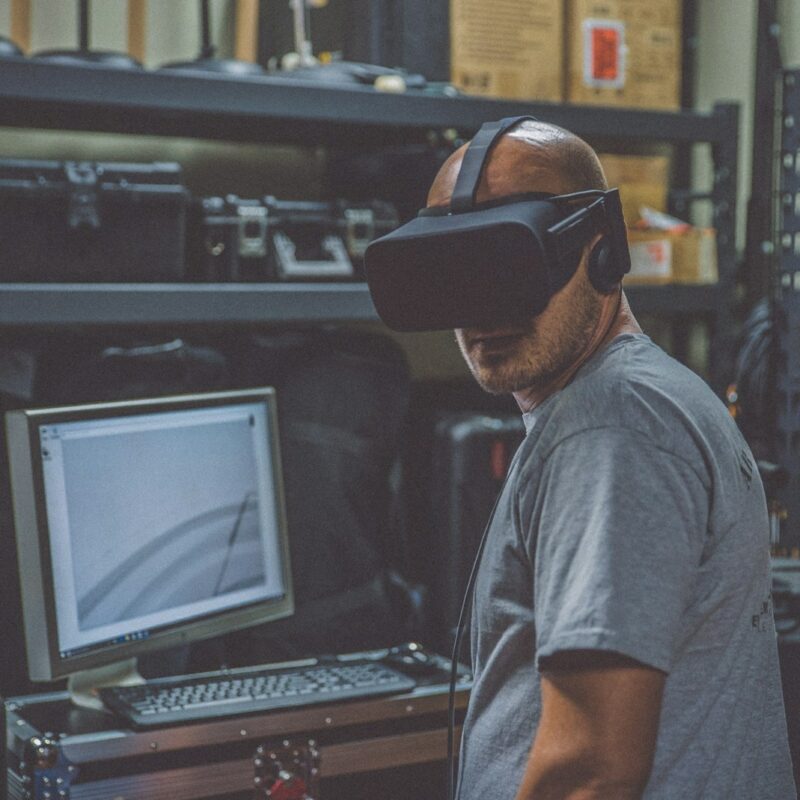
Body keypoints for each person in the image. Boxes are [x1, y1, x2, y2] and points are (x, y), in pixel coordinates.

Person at [427, 120, 796, 799]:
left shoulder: (610, 427)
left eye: (512, 267)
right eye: (458, 274)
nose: (483, 310)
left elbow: (590, 771)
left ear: (602, 252)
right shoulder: (642, 398)